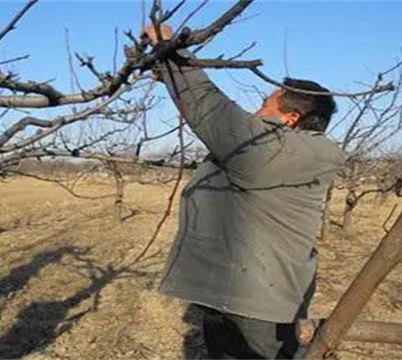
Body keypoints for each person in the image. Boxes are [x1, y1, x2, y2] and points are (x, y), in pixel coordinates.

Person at [145, 24, 347, 359]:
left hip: (259, 303)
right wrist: (170, 74)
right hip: (232, 290)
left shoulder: (280, 151)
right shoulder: (285, 150)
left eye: (265, 105)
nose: (256, 113)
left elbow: (214, 113)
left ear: (292, 118)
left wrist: (171, 51)